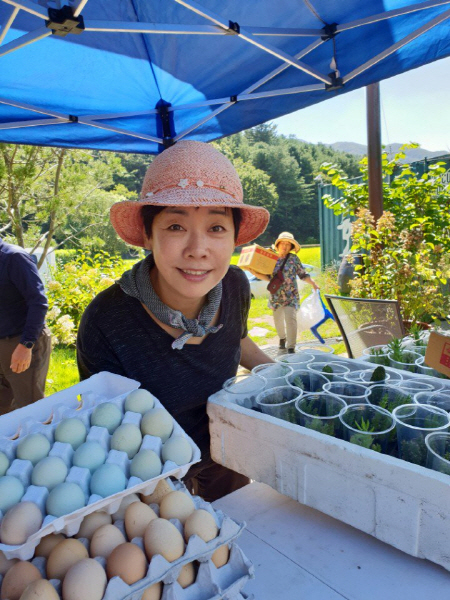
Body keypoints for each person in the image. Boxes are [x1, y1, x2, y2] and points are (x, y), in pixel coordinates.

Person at [77, 140, 274, 501]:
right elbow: (107, 431)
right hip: (153, 477)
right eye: (175, 227)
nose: (198, 248)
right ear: (148, 237)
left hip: (227, 450)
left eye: (216, 228)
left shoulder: (233, 285)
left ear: (233, 239)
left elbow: (236, 338)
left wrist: (284, 378)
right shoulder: (107, 322)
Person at [0, 238, 52, 414]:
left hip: (22, 342)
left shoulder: (14, 258)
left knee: (30, 409)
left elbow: (38, 302)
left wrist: (26, 344)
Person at [249, 232, 319, 354]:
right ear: (278, 245)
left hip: (291, 295)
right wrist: (254, 273)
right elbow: (268, 278)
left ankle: (291, 346)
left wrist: (313, 283)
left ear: (291, 247)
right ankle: (282, 338)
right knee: (278, 320)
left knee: (290, 319)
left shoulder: (293, 259)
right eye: (283, 243)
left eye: (288, 244)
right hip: (275, 295)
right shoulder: (272, 258)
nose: (285, 246)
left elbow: (302, 274)